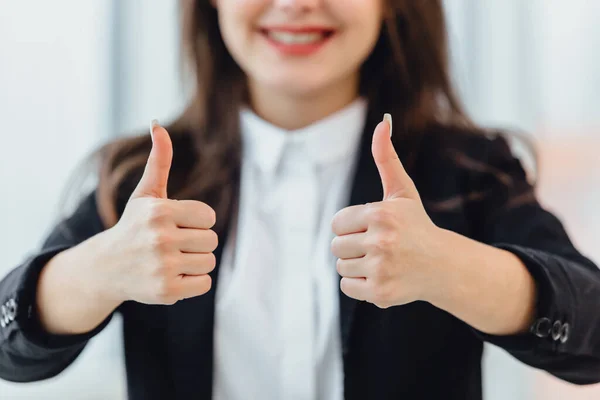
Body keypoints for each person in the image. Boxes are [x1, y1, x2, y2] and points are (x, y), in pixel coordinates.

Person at [1, 0, 599, 399]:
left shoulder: (471, 171)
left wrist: (456, 270)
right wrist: (97, 271)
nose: (296, 3)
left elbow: (591, 335)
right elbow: (9, 348)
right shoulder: (138, 178)